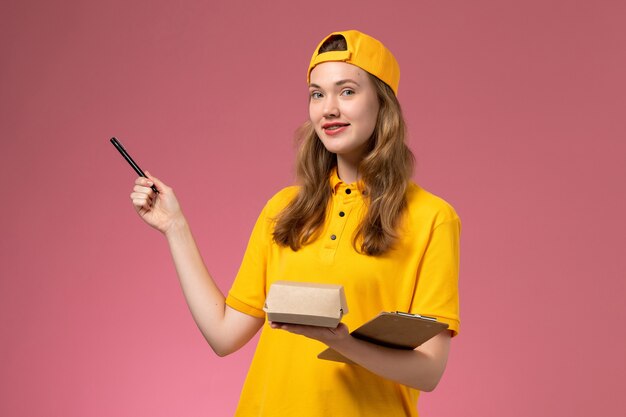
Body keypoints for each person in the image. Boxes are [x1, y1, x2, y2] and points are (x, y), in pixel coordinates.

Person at [130, 30, 460, 417]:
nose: (328, 109)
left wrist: (339, 342)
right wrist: (175, 227)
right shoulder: (285, 209)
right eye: (317, 94)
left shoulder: (431, 218)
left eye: (347, 91)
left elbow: (430, 370)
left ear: (383, 103)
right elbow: (223, 335)